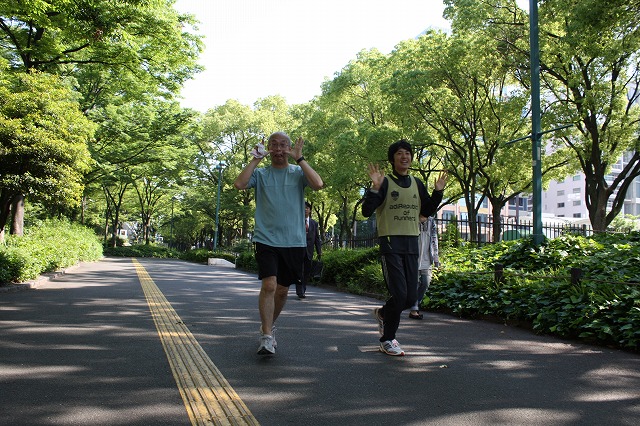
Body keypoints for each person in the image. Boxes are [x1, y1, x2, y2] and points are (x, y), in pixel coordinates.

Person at [234, 132, 323, 355]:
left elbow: (318, 184)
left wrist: (300, 158)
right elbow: (239, 183)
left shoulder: (297, 172)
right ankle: (266, 336)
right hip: (266, 239)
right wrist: (255, 159)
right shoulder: (261, 174)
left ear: (289, 148)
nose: (278, 149)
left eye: (283, 145)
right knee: (270, 285)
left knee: (282, 291)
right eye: (274, 145)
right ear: (269, 149)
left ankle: (268, 326)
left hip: (294, 241)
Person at [362, 139, 447, 356]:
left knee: (410, 298)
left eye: (407, 153)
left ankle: (384, 313)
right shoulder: (385, 182)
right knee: (400, 295)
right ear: (393, 159)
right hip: (391, 243)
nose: (404, 157)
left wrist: (438, 192)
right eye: (399, 153)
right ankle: (387, 339)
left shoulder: (417, 183)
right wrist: (375, 188)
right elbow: (366, 211)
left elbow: (426, 211)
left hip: (412, 244)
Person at [409, 215, 439, 320]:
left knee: (426, 282)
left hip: (427, 259)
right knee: (414, 285)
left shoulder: (431, 221)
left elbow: (434, 239)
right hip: (413, 258)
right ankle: (414, 310)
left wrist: (436, 258)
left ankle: (415, 304)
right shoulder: (413, 218)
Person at [296, 201, 322, 299]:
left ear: (310, 210)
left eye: (307, 208)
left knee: (306, 272)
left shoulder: (314, 223)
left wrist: (319, 251)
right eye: (303, 208)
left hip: (309, 251)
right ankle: (300, 291)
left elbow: (317, 239)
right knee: (299, 271)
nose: (305, 209)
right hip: (298, 250)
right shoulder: (297, 222)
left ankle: (303, 288)